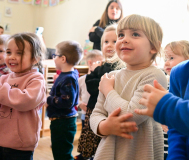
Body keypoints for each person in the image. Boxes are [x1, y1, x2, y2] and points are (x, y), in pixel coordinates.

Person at [90, 14, 167, 160]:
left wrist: (108, 91)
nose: (124, 39)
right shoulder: (111, 76)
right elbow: (96, 114)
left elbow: (131, 116)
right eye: (121, 35)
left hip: (140, 152)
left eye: (135, 34)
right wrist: (104, 126)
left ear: (153, 47)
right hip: (108, 151)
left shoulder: (155, 75)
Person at [0, 32, 46, 160]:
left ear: (35, 59)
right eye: (8, 52)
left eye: (19, 53)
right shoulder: (3, 78)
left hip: (19, 145)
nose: (12, 57)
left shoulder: (37, 79)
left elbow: (25, 101)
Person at [77, 24, 135, 160]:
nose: (109, 45)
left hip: (111, 110)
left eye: (114, 41)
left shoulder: (122, 68)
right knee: (91, 143)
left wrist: (105, 86)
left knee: (106, 147)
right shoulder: (100, 66)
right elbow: (91, 85)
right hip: (95, 111)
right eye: (106, 42)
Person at [135, 40, 189, 160]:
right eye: (165, 59)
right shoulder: (179, 73)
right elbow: (177, 130)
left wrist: (166, 109)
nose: (167, 63)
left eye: (171, 58)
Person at [46, 40, 83, 160]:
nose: (53, 58)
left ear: (63, 59)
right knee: (59, 152)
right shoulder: (67, 75)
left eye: (55, 55)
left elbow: (67, 102)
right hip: (60, 122)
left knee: (62, 155)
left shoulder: (68, 78)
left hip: (63, 123)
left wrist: (49, 99)